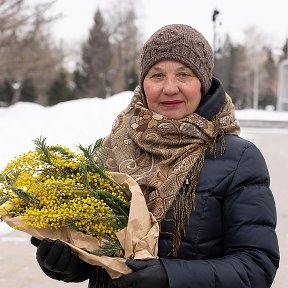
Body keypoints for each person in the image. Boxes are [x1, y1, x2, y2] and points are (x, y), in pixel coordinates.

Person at [31, 24, 280, 288]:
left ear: (203, 83)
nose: (170, 88)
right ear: (143, 83)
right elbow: (97, 252)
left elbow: (256, 266)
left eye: (184, 74)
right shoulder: (114, 147)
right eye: (157, 75)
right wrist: (68, 263)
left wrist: (170, 276)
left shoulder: (237, 158)